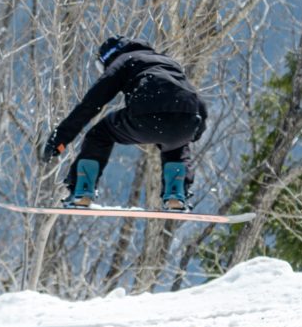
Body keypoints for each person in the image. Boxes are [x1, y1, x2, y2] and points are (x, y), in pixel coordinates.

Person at [41, 36, 208, 210]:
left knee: (99, 134)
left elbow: (91, 104)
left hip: (146, 114)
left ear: (107, 58)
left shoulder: (124, 60)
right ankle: (175, 196)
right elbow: (195, 98)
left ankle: (82, 193)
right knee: (177, 145)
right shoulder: (168, 62)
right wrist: (195, 131)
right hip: (187, 117)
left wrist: (59, 141)